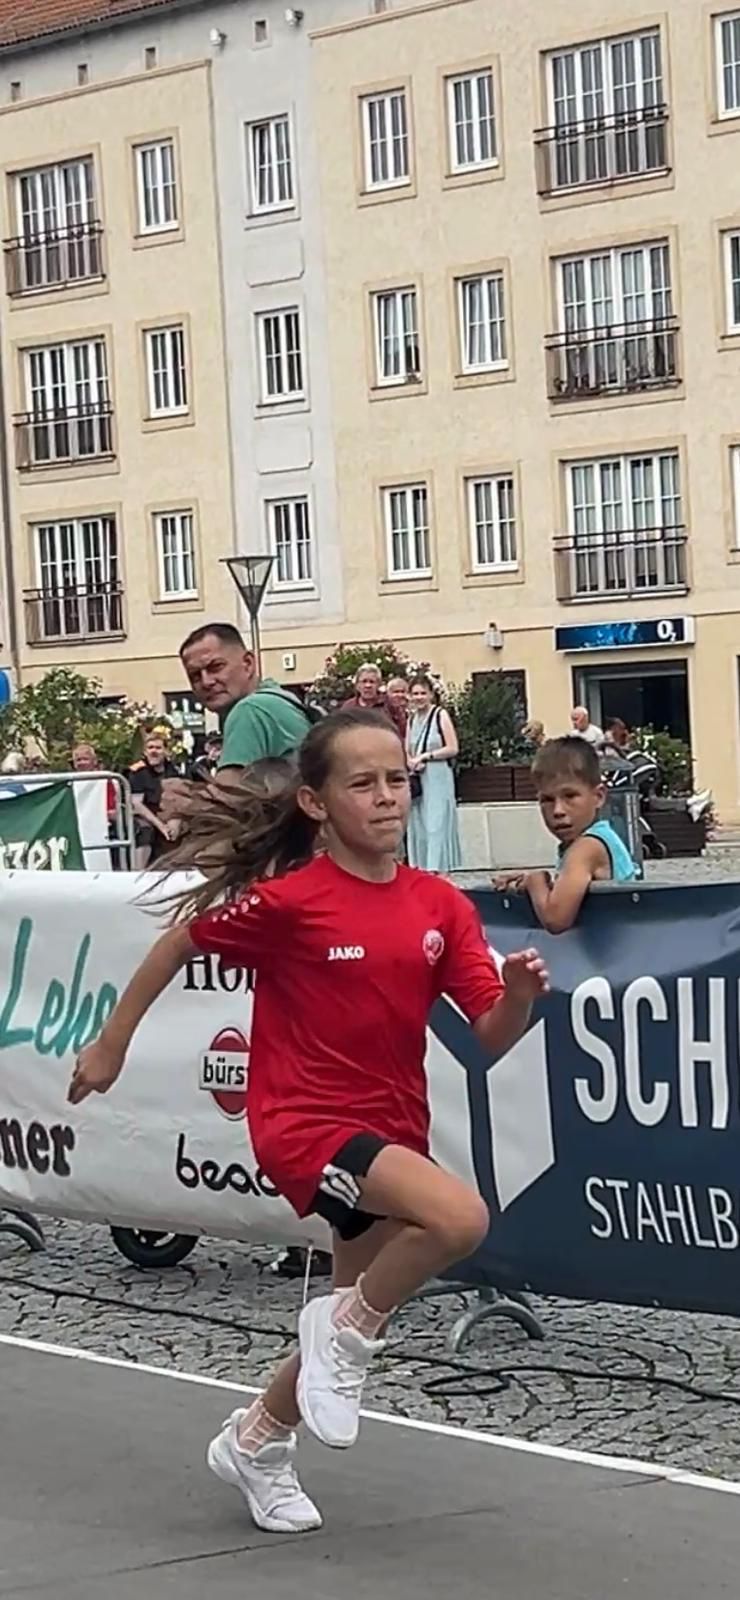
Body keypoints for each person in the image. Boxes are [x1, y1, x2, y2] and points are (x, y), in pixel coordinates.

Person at [68, 708, 548, 1536]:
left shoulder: (438, 906)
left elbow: (490, 1035)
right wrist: (112, 1043)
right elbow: (179, 943)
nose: (387, 796)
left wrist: (520, 999)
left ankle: (256, 1440)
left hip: (390, 1127)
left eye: (397, 779)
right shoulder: (292, 903)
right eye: (363, 784)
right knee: (459, 1220)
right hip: (303, 1124)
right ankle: (349, 1334)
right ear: (317, 804)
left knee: (348, 1312)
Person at [495, 735, 636, 932]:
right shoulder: (596, 839)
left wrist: (536, 881)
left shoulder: (587, 847)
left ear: (598, 796)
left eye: (570, 796)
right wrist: (527, 881)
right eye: (547, 800)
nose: (558, 810)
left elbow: (556, 920)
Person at [180, 623, 314, 787]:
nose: (206, 682)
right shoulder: (279, 701)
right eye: (195, 676)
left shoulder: (250, 710)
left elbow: (226, 798)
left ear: (248, 663)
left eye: (216, 667)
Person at [405, 675, 461, 874]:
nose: (419, 697)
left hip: (437, 775)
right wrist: (411, 761)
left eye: (423, 693)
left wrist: (426, 756)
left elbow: (452, 747)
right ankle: (420, 867)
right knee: (418, 823)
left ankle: (436, 868)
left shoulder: (440, 715)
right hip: (418, 776)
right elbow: (407, 748)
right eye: (415, 693)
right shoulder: (412, 719)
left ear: (430, 694)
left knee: (436, 823)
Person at [128, 732, 180, 869]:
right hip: (144, 816)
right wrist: (161, 826)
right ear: (145, 751)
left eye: (158, 748)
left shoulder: (173, 771)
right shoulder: (137, 772)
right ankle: (139, 872)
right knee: (145, 830)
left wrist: (175, 821)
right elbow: (137, 804)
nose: (154, 751)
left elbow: (179, 799)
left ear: (166, 751)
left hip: (167, 814)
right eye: (150, 748)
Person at [384, 675, 409, 739]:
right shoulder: (383, 712)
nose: (400, 695)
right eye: (396, 692)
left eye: (402, 692)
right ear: (388, 693)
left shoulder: (410, 712)